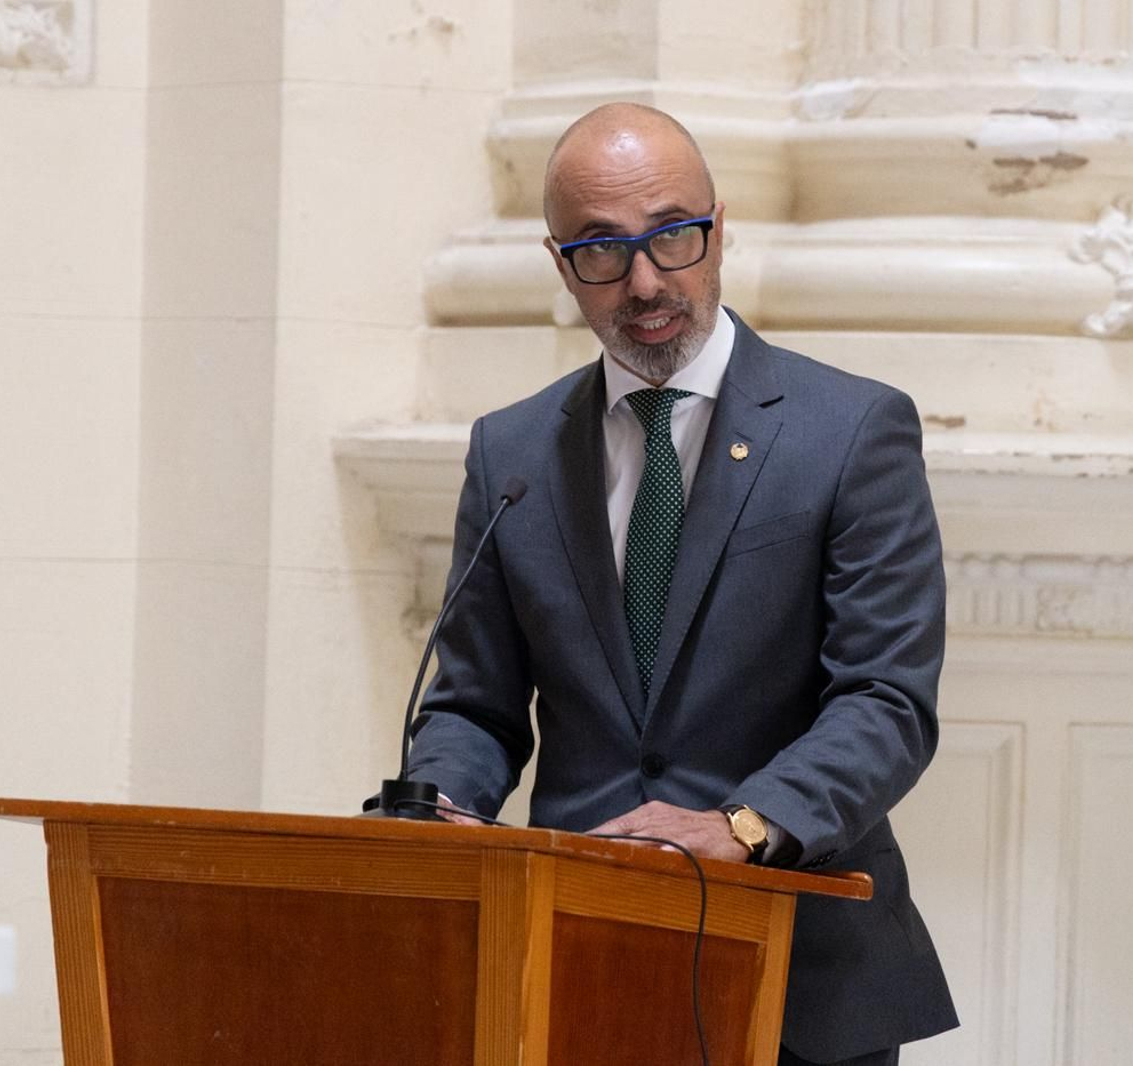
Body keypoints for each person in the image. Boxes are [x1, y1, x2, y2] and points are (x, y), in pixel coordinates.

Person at [406, 103, 957, 1065]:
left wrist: (742, 825)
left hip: (799, 973)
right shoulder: (513, 451)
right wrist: (439, 805)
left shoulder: (851, 430)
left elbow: (885, 700)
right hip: (574, 958)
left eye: (672, 235)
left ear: (717, 224)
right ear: (560, 263)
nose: (646, 280)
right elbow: (476, 704)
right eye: (603, 251)